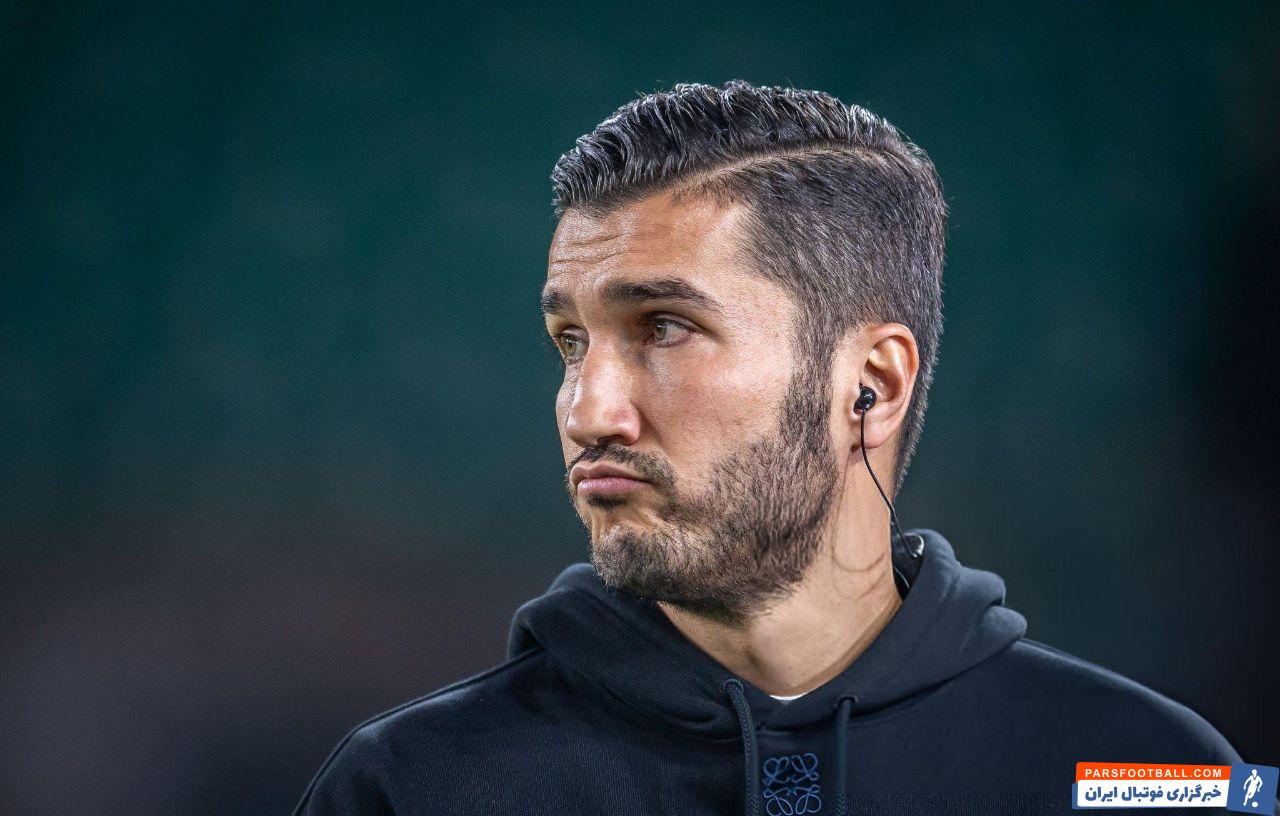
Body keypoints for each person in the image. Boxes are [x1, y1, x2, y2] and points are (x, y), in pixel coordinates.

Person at [293, 80, 1243, 816]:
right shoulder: (409, 786)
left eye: (664, 328)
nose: (587, 412)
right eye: (570, 343)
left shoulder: (1160, 775)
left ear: (872, 385)